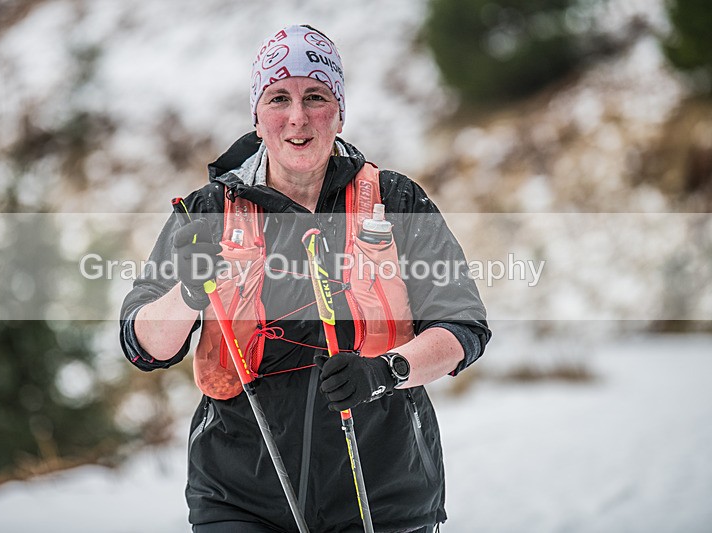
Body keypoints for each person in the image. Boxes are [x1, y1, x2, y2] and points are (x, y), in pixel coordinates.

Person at [120, 24, 490, 533]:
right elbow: (143, 344)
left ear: (339, 111)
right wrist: (187, 291)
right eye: (278, 98)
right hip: (238, 498)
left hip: (384, 495)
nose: (298, 117)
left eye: (315, 96)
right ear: (257, 115)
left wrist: (387, 372)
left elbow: (464, 327)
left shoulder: (396, 201)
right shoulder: (205, 212)